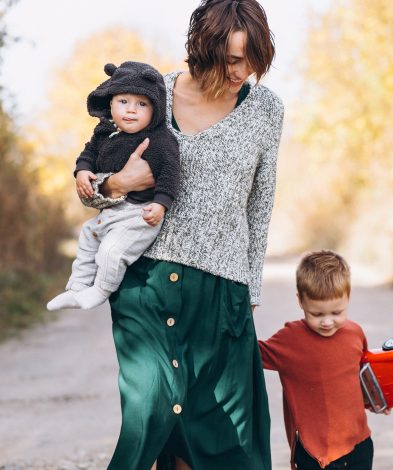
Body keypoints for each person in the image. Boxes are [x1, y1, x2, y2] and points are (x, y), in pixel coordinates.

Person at [84, 1, 283, 468]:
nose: (243, 70)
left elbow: (260, 204)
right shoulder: (154, 95)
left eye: (252, 58)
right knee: (151, 417)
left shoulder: (267, 109)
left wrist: (250, 288)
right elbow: (92, 184)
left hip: (221, 289)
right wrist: (118, 185)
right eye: (233, 59)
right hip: (145, 285)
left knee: (223, 435)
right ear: (204, 48)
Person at [46, 61, 180, 311]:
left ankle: (100, 290)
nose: (131, 110)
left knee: (111, 250)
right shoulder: (105, 133)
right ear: (110, 103)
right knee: (88, 234)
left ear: (156, 110)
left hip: (139, 215)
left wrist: (161, 204)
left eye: (142, 104)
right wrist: (83, 171)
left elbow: (171, 173)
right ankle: (77, 287)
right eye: (123, 102)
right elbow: (89, 153)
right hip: (112, 211)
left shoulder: (160, 140)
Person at [258, 250, 386, 470]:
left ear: (348, 297)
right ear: (301, 301)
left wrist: (375, 400)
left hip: (359, 444)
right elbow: (251, 354)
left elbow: (358, 377)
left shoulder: (355, 333)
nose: (327, 322)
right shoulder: (290, 339)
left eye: (337, 312)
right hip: (313, 452)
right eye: (317, 314)